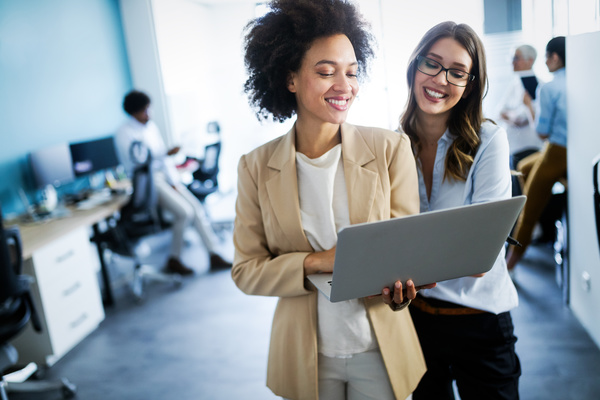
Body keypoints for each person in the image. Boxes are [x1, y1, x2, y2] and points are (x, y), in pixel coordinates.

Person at [231, 1, 435, 399]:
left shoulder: (390, 149)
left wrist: (402, 289)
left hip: (381, 348)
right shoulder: (255, 167)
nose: (345, 86)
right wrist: (316, 262)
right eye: (326, 72)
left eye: (352, 72)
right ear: (290, 78)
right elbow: (247, 270)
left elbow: (405, 253)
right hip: (305, 354)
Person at [398, 22, 521, 399]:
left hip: (480, 322)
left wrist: (403, 259)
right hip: (414, 322)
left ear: (470, 83)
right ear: (414, 66)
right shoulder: (392, 144)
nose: (440, 79)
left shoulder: (489, 140)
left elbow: (480, 255)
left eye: (457, 72)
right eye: (431, 63)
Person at [115, 90, 231, 274]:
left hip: (165, 176)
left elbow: (163, 158)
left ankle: (214, 254)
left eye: (148, 109)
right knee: (184, 213)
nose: (148, 114)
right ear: (133, 112)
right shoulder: (124, 133)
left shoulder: (151, 127)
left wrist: (175, 182)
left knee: (196, 209)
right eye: (144, 111)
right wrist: (165, 154)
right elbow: (139, 160)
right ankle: (173, 259)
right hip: (149, 180)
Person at [506, 36, 567, 272]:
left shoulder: (549, 87)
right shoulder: (579, 79)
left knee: (527, 210)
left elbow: (542, 133)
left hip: (556, 150)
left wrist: (529, 107)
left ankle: (511, 264)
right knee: (523, 168)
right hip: (565, 147)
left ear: (554, 57)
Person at [497, 44, 545, 190]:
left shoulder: (539, 86)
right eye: (512, 58)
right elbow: (499, 112)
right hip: (513, 148)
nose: (513, 62)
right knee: (515, 189)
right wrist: (514, 117)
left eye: (516, 58)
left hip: (531, 147)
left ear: (530, 60)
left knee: (528, 190)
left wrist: (513, 114)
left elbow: (528, 118)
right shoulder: (514, 85)